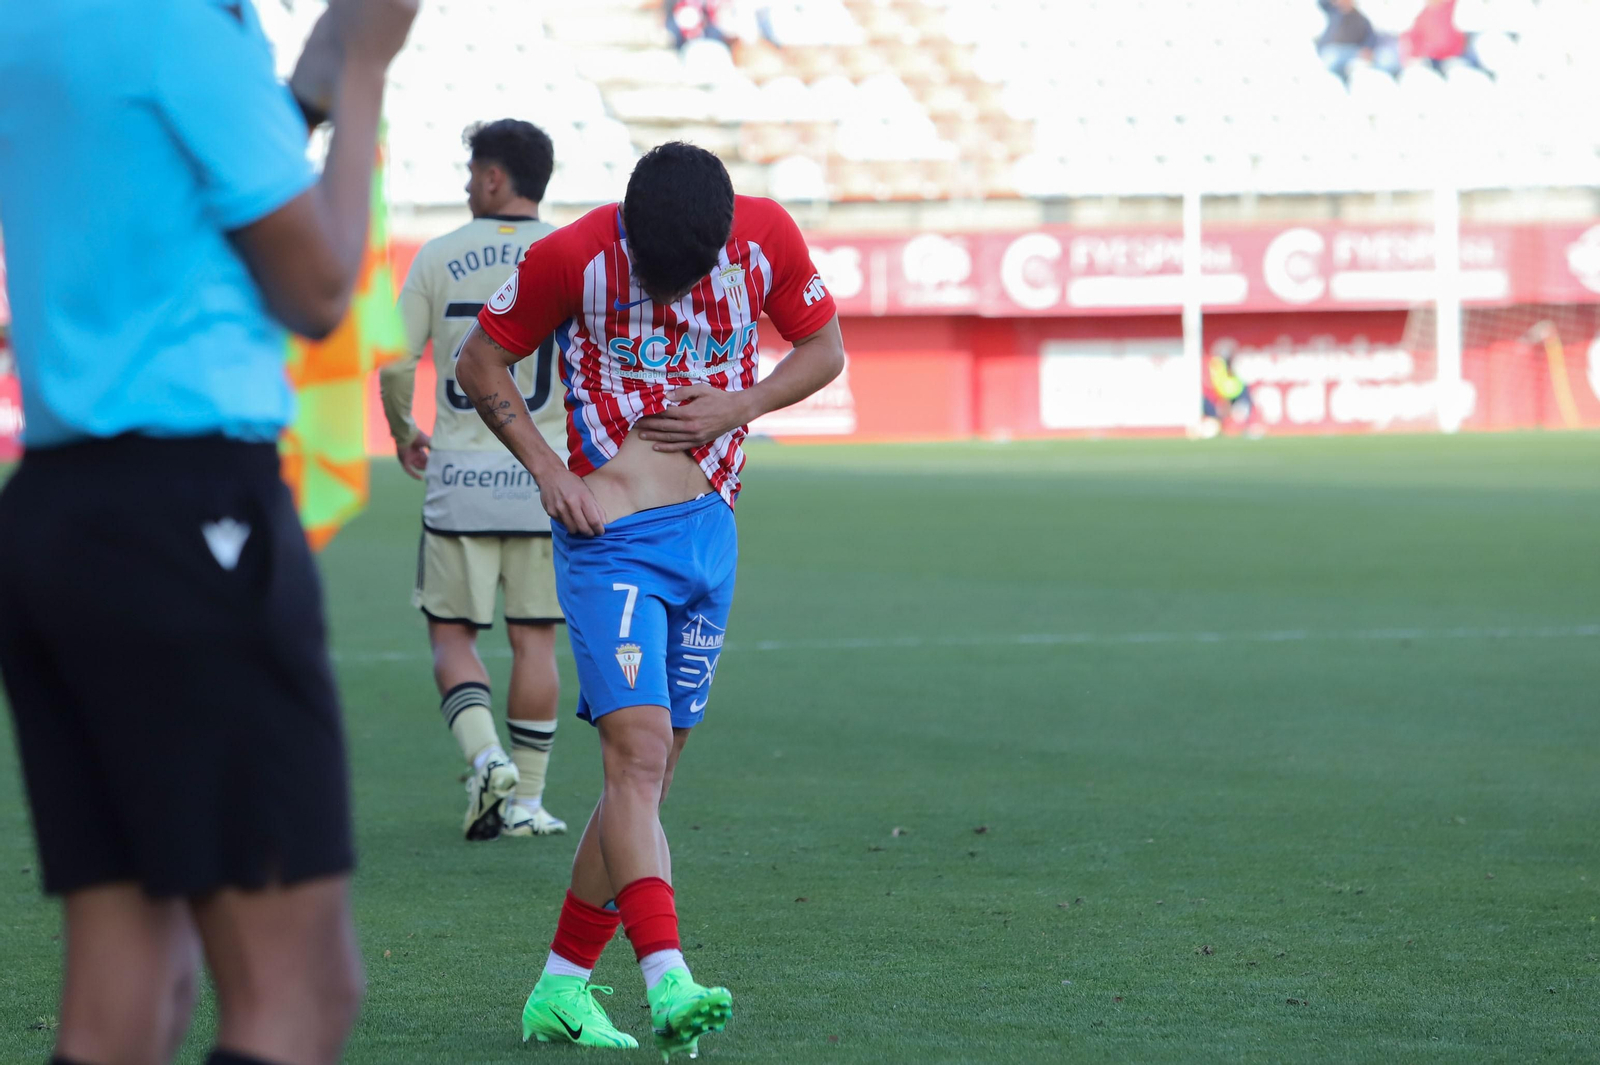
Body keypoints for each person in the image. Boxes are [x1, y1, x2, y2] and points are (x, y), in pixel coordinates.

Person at [0, 2, 415, 1064]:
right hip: (191, 516)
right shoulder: (184, 31)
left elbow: (166, 202)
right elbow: (320, 284)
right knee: (302, 990)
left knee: (125, 996)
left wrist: (311, 86)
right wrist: (365, 67)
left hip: (62, 511)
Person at [456, 142, 845, 1058]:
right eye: (655, 277)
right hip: (612, 541)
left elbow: (824, 349)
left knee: (652, 776)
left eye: (688, 278)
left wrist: (739, 402)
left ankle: (559, 987)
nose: (669, 296)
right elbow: (480, 365)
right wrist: (548, 471)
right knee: (634, 764)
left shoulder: (768, 235)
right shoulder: (570, 257)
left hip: (712, 535)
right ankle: (668, 976)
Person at [381, 119, 571, 841]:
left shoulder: (439, 256)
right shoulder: (568, 256)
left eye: (471, 173)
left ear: (495, 179)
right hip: (543, 478)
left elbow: (396, 364)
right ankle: (528, 800)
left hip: (461, 475)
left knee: (452, 635)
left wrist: (404, 435)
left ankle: (484, 755)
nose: (467, 185)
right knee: (536, 643)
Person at [1317, 0, 1380, 79]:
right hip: (1331, 50)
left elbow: (1371, 38)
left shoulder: (1361, 19)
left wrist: (1367, 49)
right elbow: (1321, 2)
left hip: (1352, 52)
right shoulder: (1334, 12)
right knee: (1331, 58)